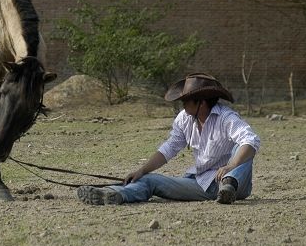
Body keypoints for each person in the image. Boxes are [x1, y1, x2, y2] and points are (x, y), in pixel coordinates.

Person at [77, 73, 261, 205]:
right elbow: (169, 148)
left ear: (201, 102)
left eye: (186, 101)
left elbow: (251, 140)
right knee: (150, 180)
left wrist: (230, 166)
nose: (182, 105)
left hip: (236, 185)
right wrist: (141, 170)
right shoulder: (184, 119)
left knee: (243, 147)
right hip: (202, 184)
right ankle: (116, 194)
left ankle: (228, 186)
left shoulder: (226, 118)